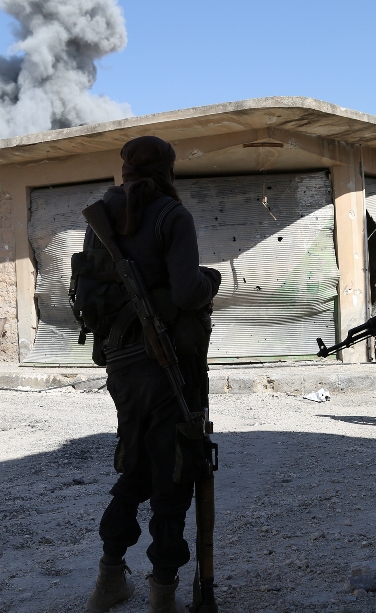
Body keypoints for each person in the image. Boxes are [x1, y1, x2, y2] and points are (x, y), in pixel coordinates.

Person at [84, 136, 221, 613]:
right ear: (168, 169)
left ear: (124, 168)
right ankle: (163, 594)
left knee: (136, 461)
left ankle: (108, 580)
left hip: (122, 365)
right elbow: (186, 293)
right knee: (174, 473)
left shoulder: (101, 217)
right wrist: (211, 281)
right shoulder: (171, 216)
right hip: (169, 366)